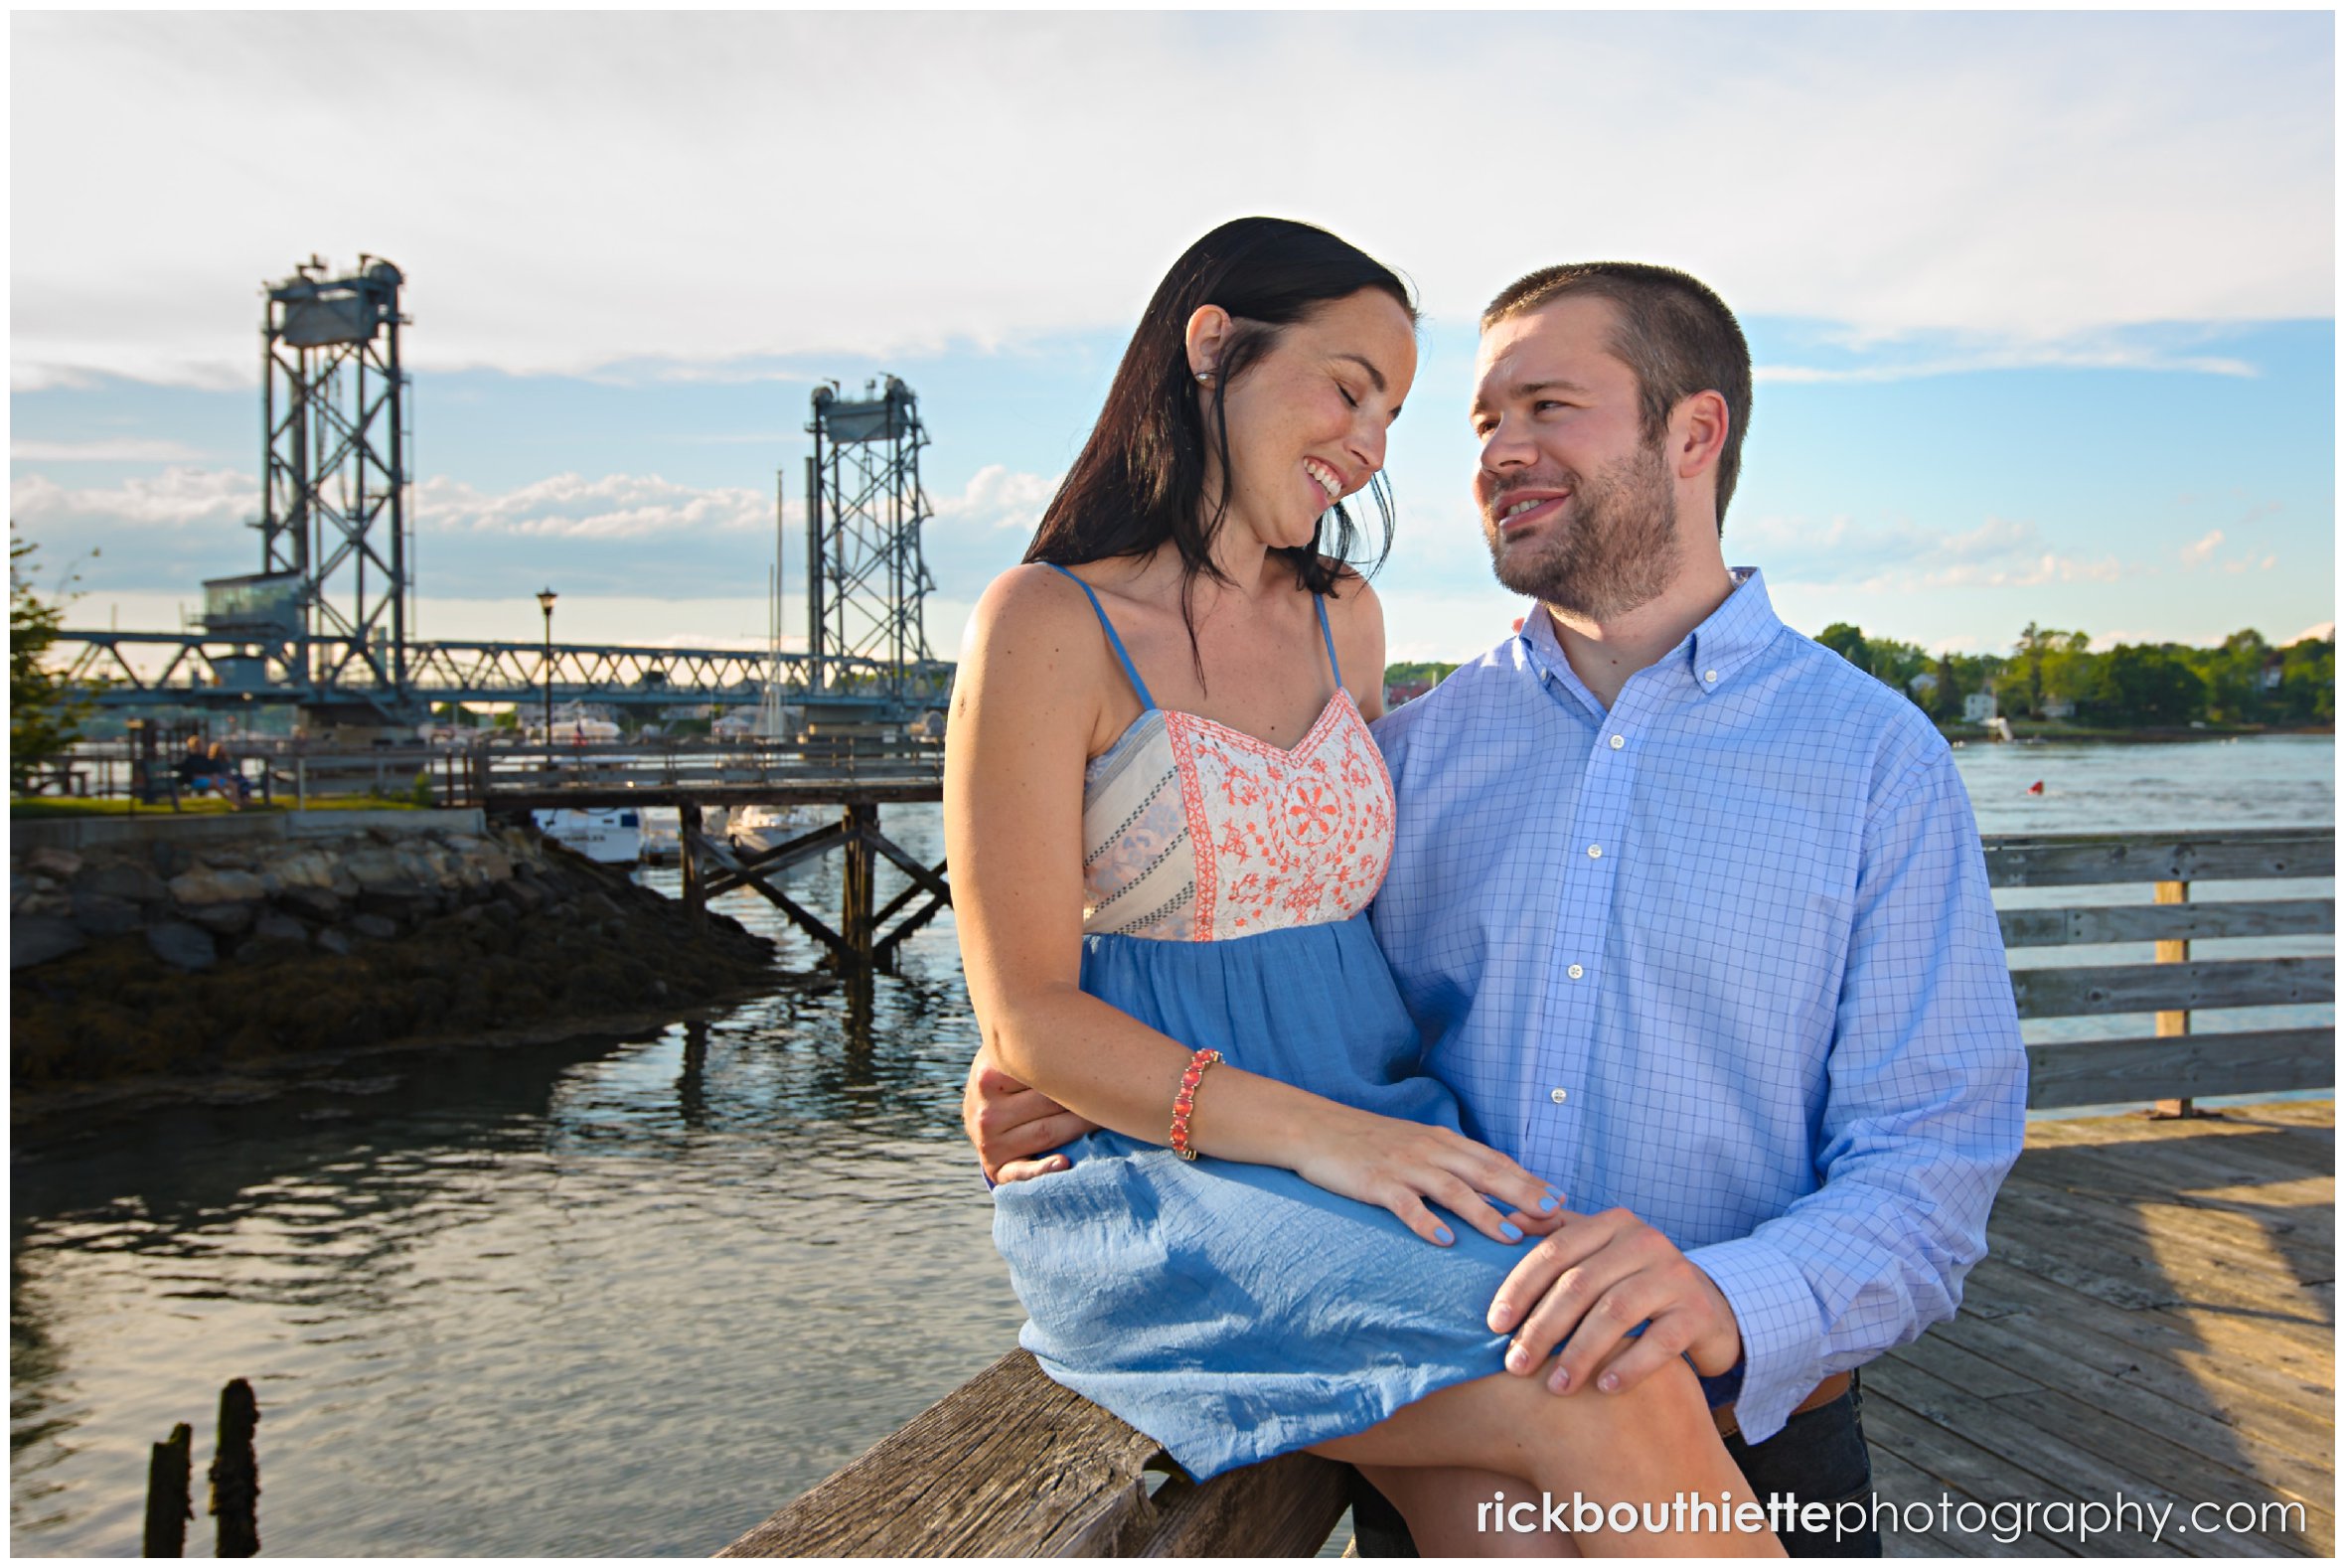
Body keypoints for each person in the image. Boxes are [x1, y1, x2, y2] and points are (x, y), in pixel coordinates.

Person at [967, 258, 2030, 1555]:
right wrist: (1058, 1064)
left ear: (1694, 432)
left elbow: (1930, 1165)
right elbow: (1258, 953)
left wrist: (1720, 1294)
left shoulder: (1877, 763)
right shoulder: (1404, 755)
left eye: (1546, 407)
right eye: (1480, 422)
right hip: (1450, 1371)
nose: (1496, 452)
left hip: (1769, 1434)